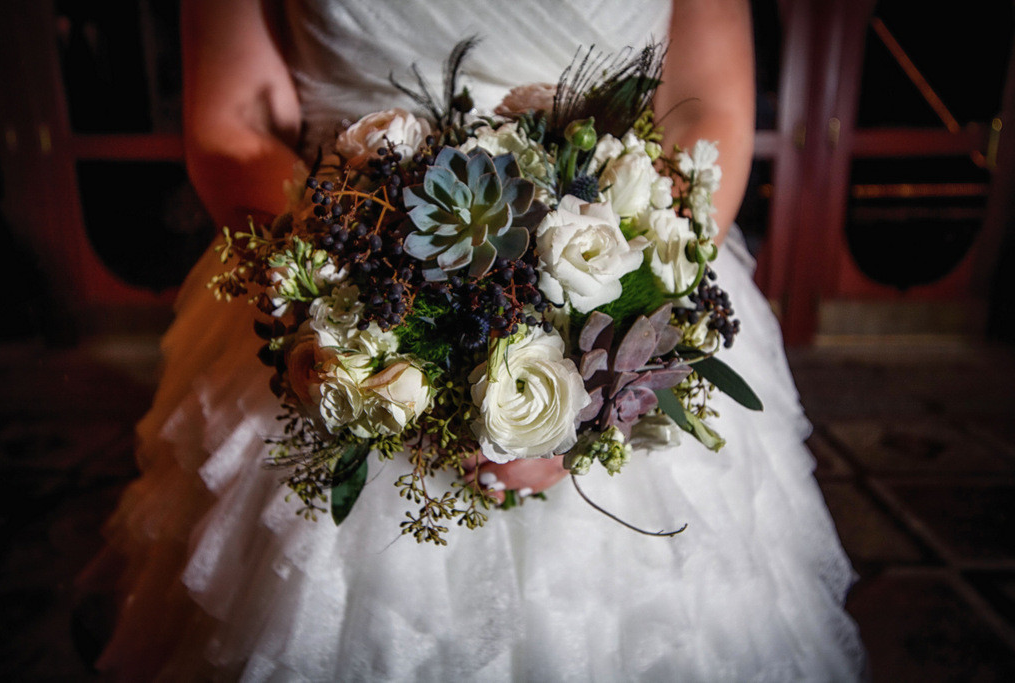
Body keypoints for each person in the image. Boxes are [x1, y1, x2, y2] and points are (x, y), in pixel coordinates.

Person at [85, 0, 866, 679]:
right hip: (343, 268)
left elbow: (706, 110)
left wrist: (607, 361)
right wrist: (362, 308)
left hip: (623, 254)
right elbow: (234, 120)